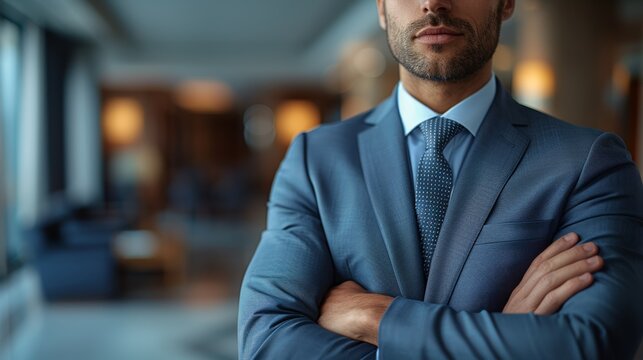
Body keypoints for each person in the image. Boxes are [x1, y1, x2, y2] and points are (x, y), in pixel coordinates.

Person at [238, 0, 643, 358]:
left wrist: (378, 318)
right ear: (380, 7)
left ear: (506, 3)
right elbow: (266, 340)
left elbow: (593, 342)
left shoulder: (588, 161)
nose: (433, 3)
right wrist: (505, 336)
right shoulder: (316, 159)